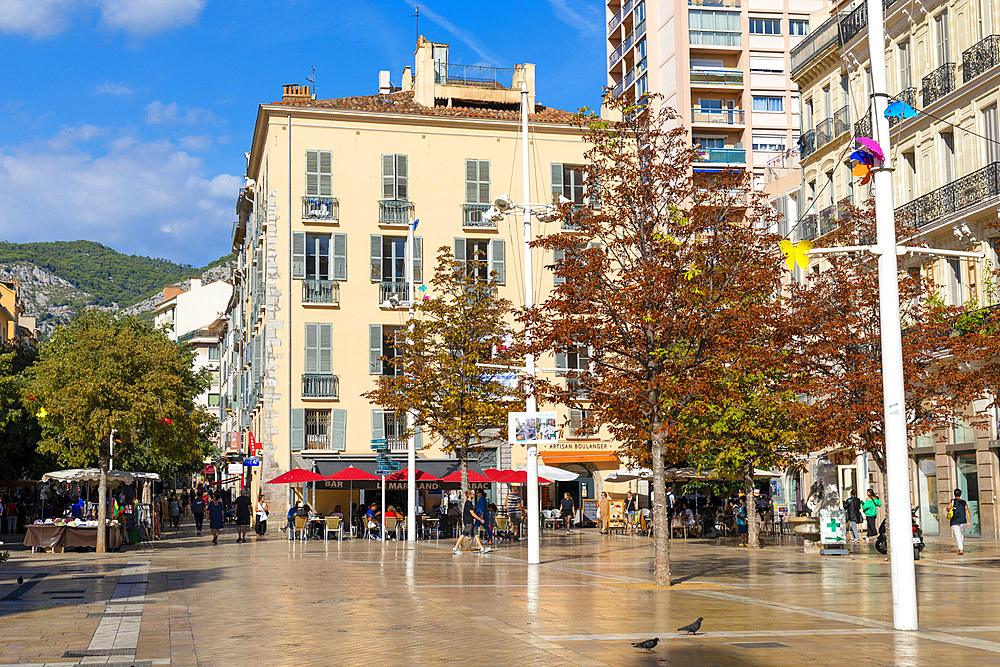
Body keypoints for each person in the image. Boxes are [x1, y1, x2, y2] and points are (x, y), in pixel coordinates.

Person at [452, 490, 490, 554]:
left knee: (475, 534)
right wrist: (480, 519)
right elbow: (472, 514)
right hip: (468, 522)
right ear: (469, 495)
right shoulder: (468, 503)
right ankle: (455, 548)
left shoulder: (469, 503)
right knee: (464, 534)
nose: (474, 494)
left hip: (470, 522)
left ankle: (482, 548)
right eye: (472, 494)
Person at [948, 488, 970, 555]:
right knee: (961, 534)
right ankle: (961, 547)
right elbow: (967, 511)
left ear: (954, 494)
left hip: (955, 520)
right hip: (963, 520)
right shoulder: (964, 502)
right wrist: (969, 521)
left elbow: (948, 508)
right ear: (960, 494)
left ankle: (961, 549)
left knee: (958, 535)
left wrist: (949, 509)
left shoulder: (952, 501)